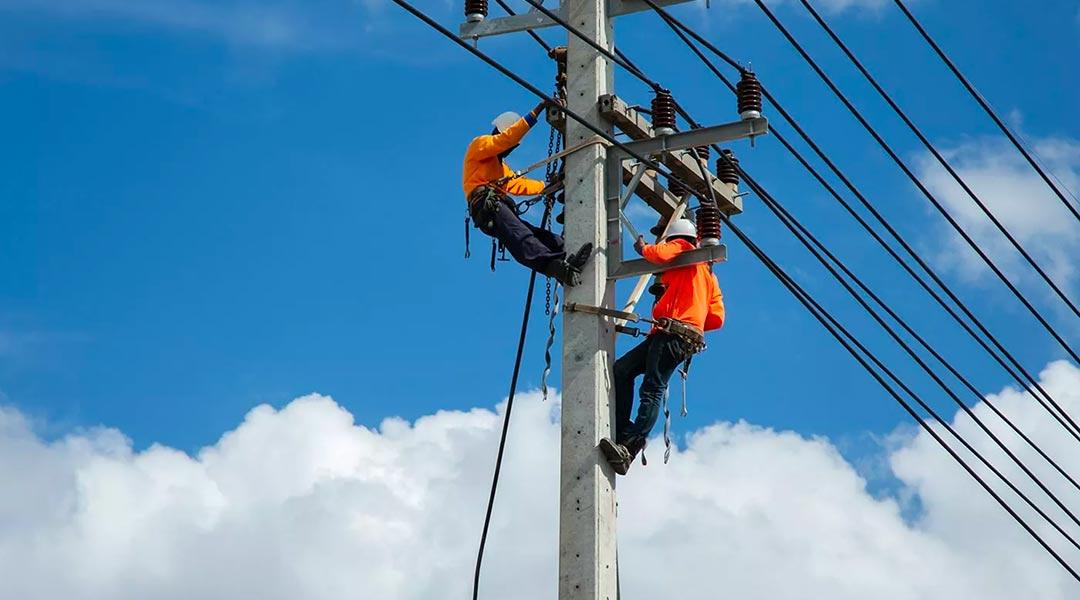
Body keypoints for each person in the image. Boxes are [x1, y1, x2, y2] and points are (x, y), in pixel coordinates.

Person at [599, 219, 726, 475]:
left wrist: (644, 248)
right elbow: (716, 318)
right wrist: (692, 316)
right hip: (676, 335)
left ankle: (630, 447)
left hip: (672, 333)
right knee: (623, 370)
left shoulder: (682, 247)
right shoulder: (708, 275)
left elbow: (660, 254)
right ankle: (624, 431)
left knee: (653, 387)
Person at [463, 100, 592, 286]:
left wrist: (549, 185)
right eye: (511, 146)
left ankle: (565, 251)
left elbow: (519, 185)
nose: (511, 149)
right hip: (487, 205)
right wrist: (538, 110)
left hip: (496, 206)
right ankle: (555, 267)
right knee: (521, 237)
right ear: (500, 132)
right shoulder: (480, 145)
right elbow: (508, 139)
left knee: (538, 235)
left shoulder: (501, 169)